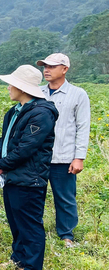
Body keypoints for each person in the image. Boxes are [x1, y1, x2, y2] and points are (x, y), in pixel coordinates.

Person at [0, 65, 58, 270]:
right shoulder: (14, 112)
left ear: (22, 87)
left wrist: (2, 165)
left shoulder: (41, 113)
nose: (8, 87)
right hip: (12, 176)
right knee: (15, 220)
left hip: (30, 177)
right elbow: (4, 140)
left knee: (30, 223)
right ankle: (18, 258)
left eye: (11, 84)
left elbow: (26, 148)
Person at [37, 53, 91, 248]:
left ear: (65, 69)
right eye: (45, 66)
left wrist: (79, 157)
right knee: (36, 195)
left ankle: (66, 234)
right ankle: (36, 232)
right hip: (39, 157)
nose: (47, 70)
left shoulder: (78, 94)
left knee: (65, 197)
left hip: (64, 156)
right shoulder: (38, 92)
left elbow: (83, 127)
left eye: (51, 66)